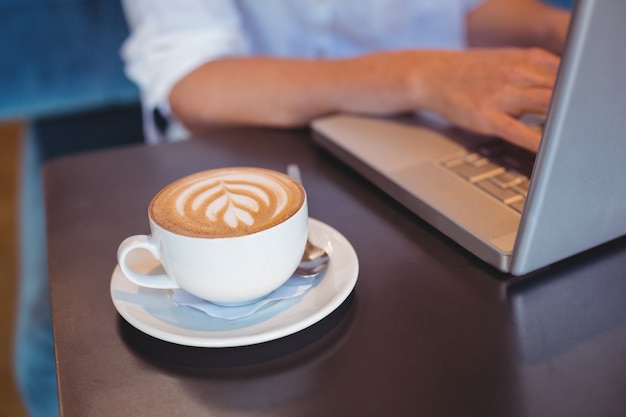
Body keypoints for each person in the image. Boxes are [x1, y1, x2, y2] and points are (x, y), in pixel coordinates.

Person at [120, 0, 570, 152]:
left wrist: (557, 29)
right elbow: (193, 84)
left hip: (423, 133)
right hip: (257, 151)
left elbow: (457, 11)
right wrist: (422, 76)